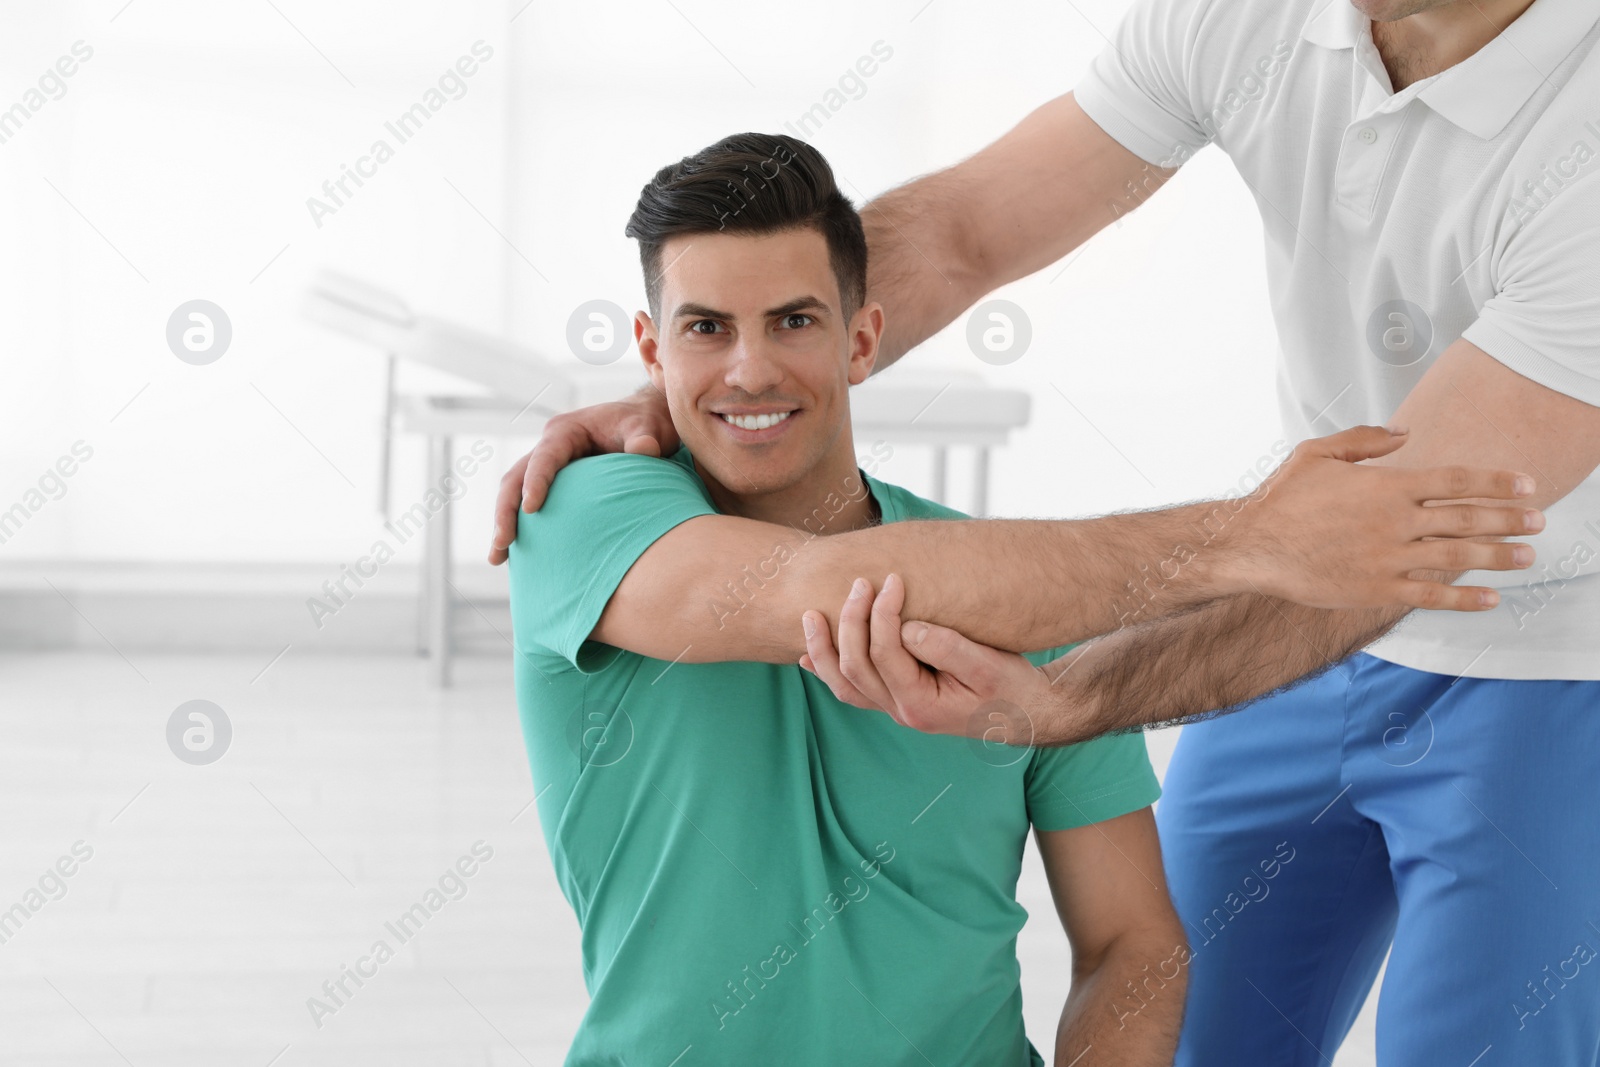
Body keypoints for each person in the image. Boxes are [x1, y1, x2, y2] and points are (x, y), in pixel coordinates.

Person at [494, 1, 1600, 1063]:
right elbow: (961, 232)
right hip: (1292, 582)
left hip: (1527, 651)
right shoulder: (1247, 18)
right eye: (693, 330)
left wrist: (1080, 696)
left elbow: (1389, 539)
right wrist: (725, 384)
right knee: (1205, 1029)